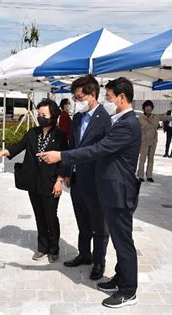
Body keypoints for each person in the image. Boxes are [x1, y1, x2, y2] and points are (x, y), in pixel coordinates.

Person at [39, 77, 141, 309]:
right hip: (110, 189)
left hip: (119, 192)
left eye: (111, 97)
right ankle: (120, 278)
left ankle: (129, 291)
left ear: (122, 98)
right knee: (118, 239)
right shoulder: (120, 120)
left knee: (123, 242)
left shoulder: (127, 124)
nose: (108, 100)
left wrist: (61, 156)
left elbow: (99, 149)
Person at [0, 99, 68, 263]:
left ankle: (54, 249)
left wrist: (59, 180)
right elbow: (17, 147)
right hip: (34, 182)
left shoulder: (60, 135)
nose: (40, 117)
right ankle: (42, 247)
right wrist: (2, 153)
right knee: (39, 216)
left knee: (50, 217)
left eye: (44, 115)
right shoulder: (33, 133)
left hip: (51, 182)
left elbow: (64, 160)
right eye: (39, 114)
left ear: (53, 115)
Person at [62, 75, 111, 281]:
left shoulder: (105, 119)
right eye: (74, 97)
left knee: (99, 224)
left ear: (92, 95)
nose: (76, 101)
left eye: (79, 97)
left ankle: (99, 262)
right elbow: (72, 145)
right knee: (82, 221)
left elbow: (106, 152)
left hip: (95, 181)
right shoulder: (78, 118)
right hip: (76, 179)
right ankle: (84, 254)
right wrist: (66, 171)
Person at [138, 100, 172, 182]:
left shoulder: (156, 117)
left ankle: (149, 175)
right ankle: (140, 175)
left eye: (150, 107)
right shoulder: (140, 118)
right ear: (144, 108)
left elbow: (168, 117)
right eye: (146, 107)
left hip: (153, 140)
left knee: (151, 159)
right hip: (144, 141)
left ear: (152, 108)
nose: (148, 108)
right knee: (142, 159)